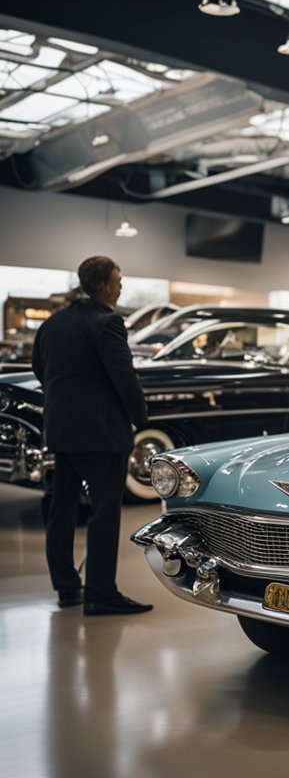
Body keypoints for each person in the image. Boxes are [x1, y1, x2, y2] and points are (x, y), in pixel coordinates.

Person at [32, 256, 153, 616]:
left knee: (62, 507)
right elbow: (124, 377)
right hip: (100, 433)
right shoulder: (108, 323)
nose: (121, 287)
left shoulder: (52, 324)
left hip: (61, 429)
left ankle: (68, 588)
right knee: (104, 512)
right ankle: (101, 593)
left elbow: (40, 371)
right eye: (118, 280)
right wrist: (140, 416)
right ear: (102, 285)